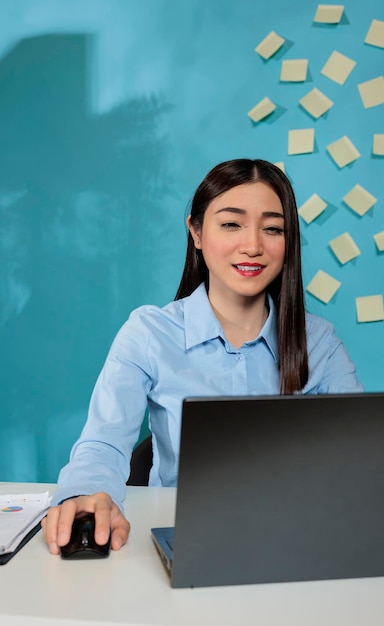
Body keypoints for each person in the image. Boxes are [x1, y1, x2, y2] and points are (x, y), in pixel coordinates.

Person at [42, 158, 364, 554]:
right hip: (183, 538)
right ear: (196, 231)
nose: (253, 246)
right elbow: (103, 444)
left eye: (273, 228)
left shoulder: (320, 343)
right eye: (231, 224)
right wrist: (87, 496)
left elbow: (361, 454)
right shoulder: (149, 333)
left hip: (294, 539)